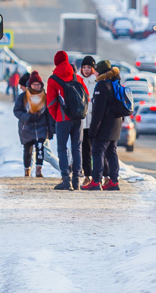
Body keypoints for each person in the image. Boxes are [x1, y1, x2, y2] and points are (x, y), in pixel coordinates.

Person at [81, 59, 131, 191]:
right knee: (111, 152)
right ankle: (113, 181)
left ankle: (96, 181)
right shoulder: (115, 83)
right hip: (116, 124)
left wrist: (93, 130)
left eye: (96, 71)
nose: (95, 73)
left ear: (101, 72)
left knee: (97, 151)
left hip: (105, 126)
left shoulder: (102, 86)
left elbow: (98, 111)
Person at [45, 51, 85, 191]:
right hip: (78, 118)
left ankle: (66, 179)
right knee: (77, 148)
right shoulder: (77, 77)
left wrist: (56, 117)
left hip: (62, 119)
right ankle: (77, 180)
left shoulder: (53, 80)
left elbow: (51, 103)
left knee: (62, 148)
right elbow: (86, 95)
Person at [13, 72, 51, 178]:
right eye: (34, 84)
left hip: (41, 127)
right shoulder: (23, 97)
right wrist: (28, 117)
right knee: (28, 150)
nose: (36, 86)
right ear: (30, 85)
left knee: (40, 148)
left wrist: (50, 127)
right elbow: (17, 111)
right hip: (27, 127)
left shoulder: (45, 97)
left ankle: (39, 169)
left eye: (38, 84)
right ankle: (27, 170)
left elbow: (49, 113)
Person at [76, 56, 97, 186]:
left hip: (95, 120)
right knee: (85, 149)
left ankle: (98, 175)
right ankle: (87, 175)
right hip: (82, 120)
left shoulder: (97, 81)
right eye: (84, 67)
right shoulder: (78, 80)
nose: (86, 70)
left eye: (89, 67)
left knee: (97, 149)